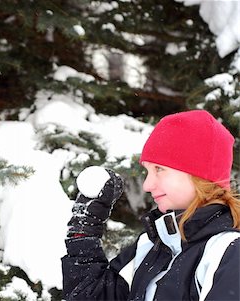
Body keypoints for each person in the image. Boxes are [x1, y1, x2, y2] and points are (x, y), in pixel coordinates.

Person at [62, 110, 240, 300]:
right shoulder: (151, 245)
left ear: (199, 175)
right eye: (147, 171)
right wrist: (83, 233)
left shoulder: (227, 252)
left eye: (159, 169)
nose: (147, 185)